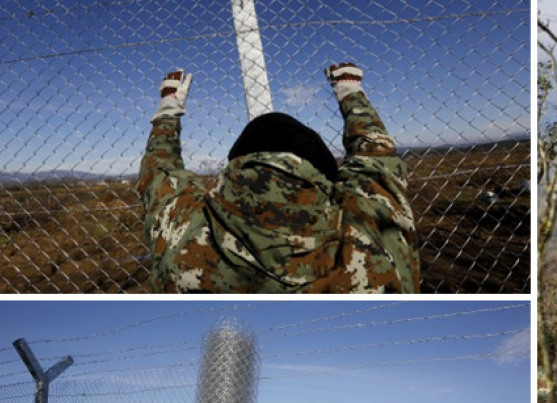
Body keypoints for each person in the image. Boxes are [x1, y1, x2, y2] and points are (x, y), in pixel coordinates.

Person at [138, 62, 419, 293]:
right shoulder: (368, 217)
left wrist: (168, 108)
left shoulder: (183, 225)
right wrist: (349, 91)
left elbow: (159, 170)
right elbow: (376, 156)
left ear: (237, 164)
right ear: (324, 170)